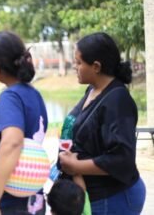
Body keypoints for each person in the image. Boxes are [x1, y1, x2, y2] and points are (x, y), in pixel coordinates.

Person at [58, 32, 146, 214]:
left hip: (113, 197)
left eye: (79, 63)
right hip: (94, 194)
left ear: (96, 66)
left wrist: (76, 167)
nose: (74, 67)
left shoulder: (117, 101)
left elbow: (122, 159)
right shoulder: (93, 89)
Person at [0, 31, 48, 215]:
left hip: (10, 204)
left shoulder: (11, 96)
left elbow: (12, 142)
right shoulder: (32, 94)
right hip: (30, 201)